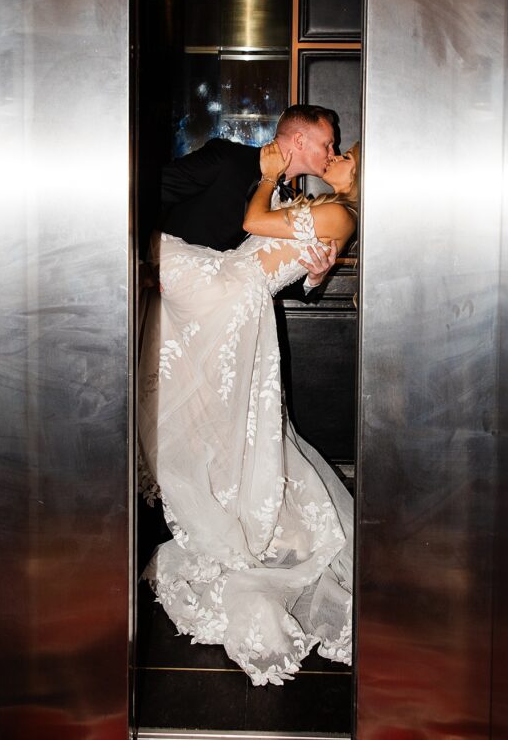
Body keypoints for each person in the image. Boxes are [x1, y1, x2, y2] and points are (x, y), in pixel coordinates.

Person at [138, 138, 360, 686]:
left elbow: (255, 221)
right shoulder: (327, 207)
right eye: (334, 148)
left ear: (361, 176)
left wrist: (267, 183)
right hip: (234, 287)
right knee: (214, 416)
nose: (335, 157)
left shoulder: (337, 210)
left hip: (234, 292)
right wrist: (315, 273)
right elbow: (294, 262)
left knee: (146, 247)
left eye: (346, 155)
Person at [160, 104, 340, 290]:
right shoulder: (228, 159)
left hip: (227, 310)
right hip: (169, 288)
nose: (333, 154)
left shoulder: (295, 203)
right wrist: (144, 267)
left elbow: (268, 274)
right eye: (327, 144)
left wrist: (312, 279)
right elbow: (155, 193)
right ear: (299, 140)